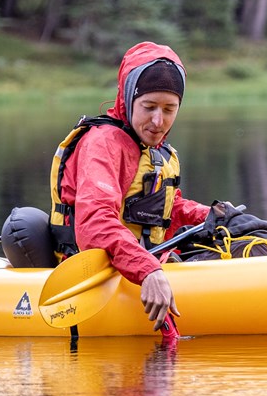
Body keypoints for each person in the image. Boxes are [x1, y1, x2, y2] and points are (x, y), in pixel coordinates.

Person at [50, 41, 211, 332]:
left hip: (147, 258)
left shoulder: (156, 150)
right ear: (128, 99)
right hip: (97, 273)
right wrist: (147, 270)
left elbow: (163, 208)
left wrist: (212, 216)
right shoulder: (104, 144)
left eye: (169, 109)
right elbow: (95, 223)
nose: (158, 121)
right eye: (148, 107)